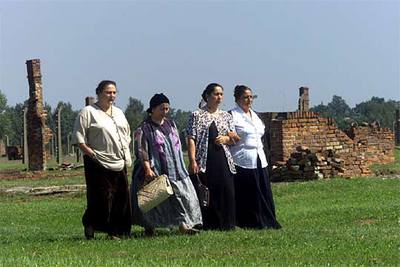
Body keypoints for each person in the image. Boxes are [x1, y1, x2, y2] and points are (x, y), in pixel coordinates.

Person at [131, 93, 202, 236]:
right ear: (153, 109)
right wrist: (147, 169)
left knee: (184, 197)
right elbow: (141, 150)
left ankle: (184, 224)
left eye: (167, 108)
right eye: (162, 108)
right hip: (155, 170)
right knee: (154, 202)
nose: (165, 111)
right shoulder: (144, 128)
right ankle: (150, 227)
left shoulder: (171, 124)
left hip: (177, 170)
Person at [72, 80, 132, 240]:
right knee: (101, 198)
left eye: (114, 92)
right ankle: (91, 225)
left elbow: (127, 134)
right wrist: (91, 154)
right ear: (99, 93)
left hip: (118, 160)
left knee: (121, 197)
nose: (111, 96)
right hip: (97, 161)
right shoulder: (88, 112)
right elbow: (79, 138)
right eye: (108, 92)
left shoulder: (119, 113)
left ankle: (115, 231)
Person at [186, 83, 237, 230]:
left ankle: (227, 223)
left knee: (226, 189)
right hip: (204, 158)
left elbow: (233, 137)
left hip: (223, 157)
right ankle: (209, 223)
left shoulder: (226, 116)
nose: (219, 97)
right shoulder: (196, 115)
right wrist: (192, 160)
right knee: (207, 190)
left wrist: (226, 139)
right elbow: (191, 138)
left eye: (221, 94)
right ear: (207, 96)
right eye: (216, 94)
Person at [229, 85, 281, 229]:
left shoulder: (255, 115)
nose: (249, 100)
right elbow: (229, 135)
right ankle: (249, 221)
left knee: (263, 189)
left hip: (259, 156)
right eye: (246, 97)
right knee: (249, 191)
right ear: (238, 99)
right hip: (242, 158)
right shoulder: (232, 115)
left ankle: (267, 219)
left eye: (251, 97)